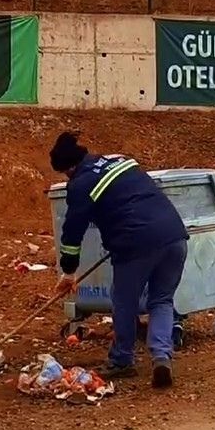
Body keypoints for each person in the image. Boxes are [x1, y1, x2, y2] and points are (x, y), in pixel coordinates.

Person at [49, 131, 189, 389]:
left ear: (69, 168)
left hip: (136, 244)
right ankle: (161, 357)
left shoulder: (81, 184)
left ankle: (122, 360)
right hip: (174, 235)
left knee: (124, 301)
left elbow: (72, 232)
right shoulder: (120, 160)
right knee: (161, 300)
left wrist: (68, 271)